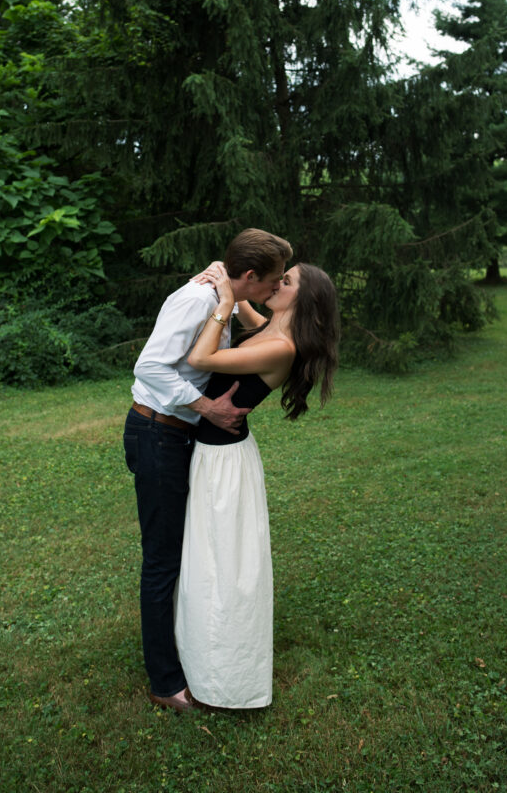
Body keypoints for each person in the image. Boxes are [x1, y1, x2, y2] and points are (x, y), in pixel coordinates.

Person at [123, 229, 293, 713]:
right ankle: (164, 681)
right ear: (250, 276)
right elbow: (150, 367)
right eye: (273, 281)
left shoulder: (224, 295)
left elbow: (250, 328)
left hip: (177, 435)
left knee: (180, 552)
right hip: (157, 432)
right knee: (161, 559)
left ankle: (189, 648)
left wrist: (233, 300)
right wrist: (207, 407)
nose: (276, 288)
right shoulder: (198, 300)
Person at [174, 260, 339, 710]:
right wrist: (229, 281)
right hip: (215, 455)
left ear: (301, 300)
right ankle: (198, 659)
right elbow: (252, 305)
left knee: (224, 568)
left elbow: (200, 359)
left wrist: (225, 303)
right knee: (206, 562)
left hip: (224, 464)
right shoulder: (270, 327)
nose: (276, 282)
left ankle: (228, 681)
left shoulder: (281, 346)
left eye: (286, 281)